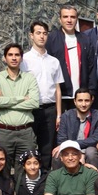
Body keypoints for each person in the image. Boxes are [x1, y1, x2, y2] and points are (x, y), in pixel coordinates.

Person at [0, 43, 41, 167]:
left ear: (21, 58)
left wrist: (5, 102)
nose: (14, 58)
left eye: (17, 55)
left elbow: (34, 102)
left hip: (25, 133)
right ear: (4, 58)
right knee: (2, 168)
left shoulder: (29, 78)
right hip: (3, 132)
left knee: (26, 169)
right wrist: (21, 98)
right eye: (10, 55)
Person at [22, 21, 65, 156]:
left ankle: (45, 170)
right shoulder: (24, 60)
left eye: (45, 33)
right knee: (28, 147)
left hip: (50, 110)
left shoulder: (54, 61)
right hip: (31, 110)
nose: (42, 36)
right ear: (31, 35)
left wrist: (58, 115)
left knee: (47, 148)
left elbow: (58, 89)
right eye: (38, 33)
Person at [46, 5, 98, 106]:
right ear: (60, 19)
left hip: (81, 97)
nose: (69, 20)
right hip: (60, 96)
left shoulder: (85, 39)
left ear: (76, 19)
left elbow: (91, 67)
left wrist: (91, 91)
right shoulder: (51, 39)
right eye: (65, 17)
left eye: (72, 17)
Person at [55, 89, 98, 170]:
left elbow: (95, 139)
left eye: (87, 101)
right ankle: (58, 177)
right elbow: (61, 139)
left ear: (92, 100)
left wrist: (80, 152)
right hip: (70, 148)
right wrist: (73, 149)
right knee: (56, 154)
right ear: (74, 101)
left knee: (91, 152)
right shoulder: (66, 116)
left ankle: (93, 176)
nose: (83, 104)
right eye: (80, 100)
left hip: (89, 147)